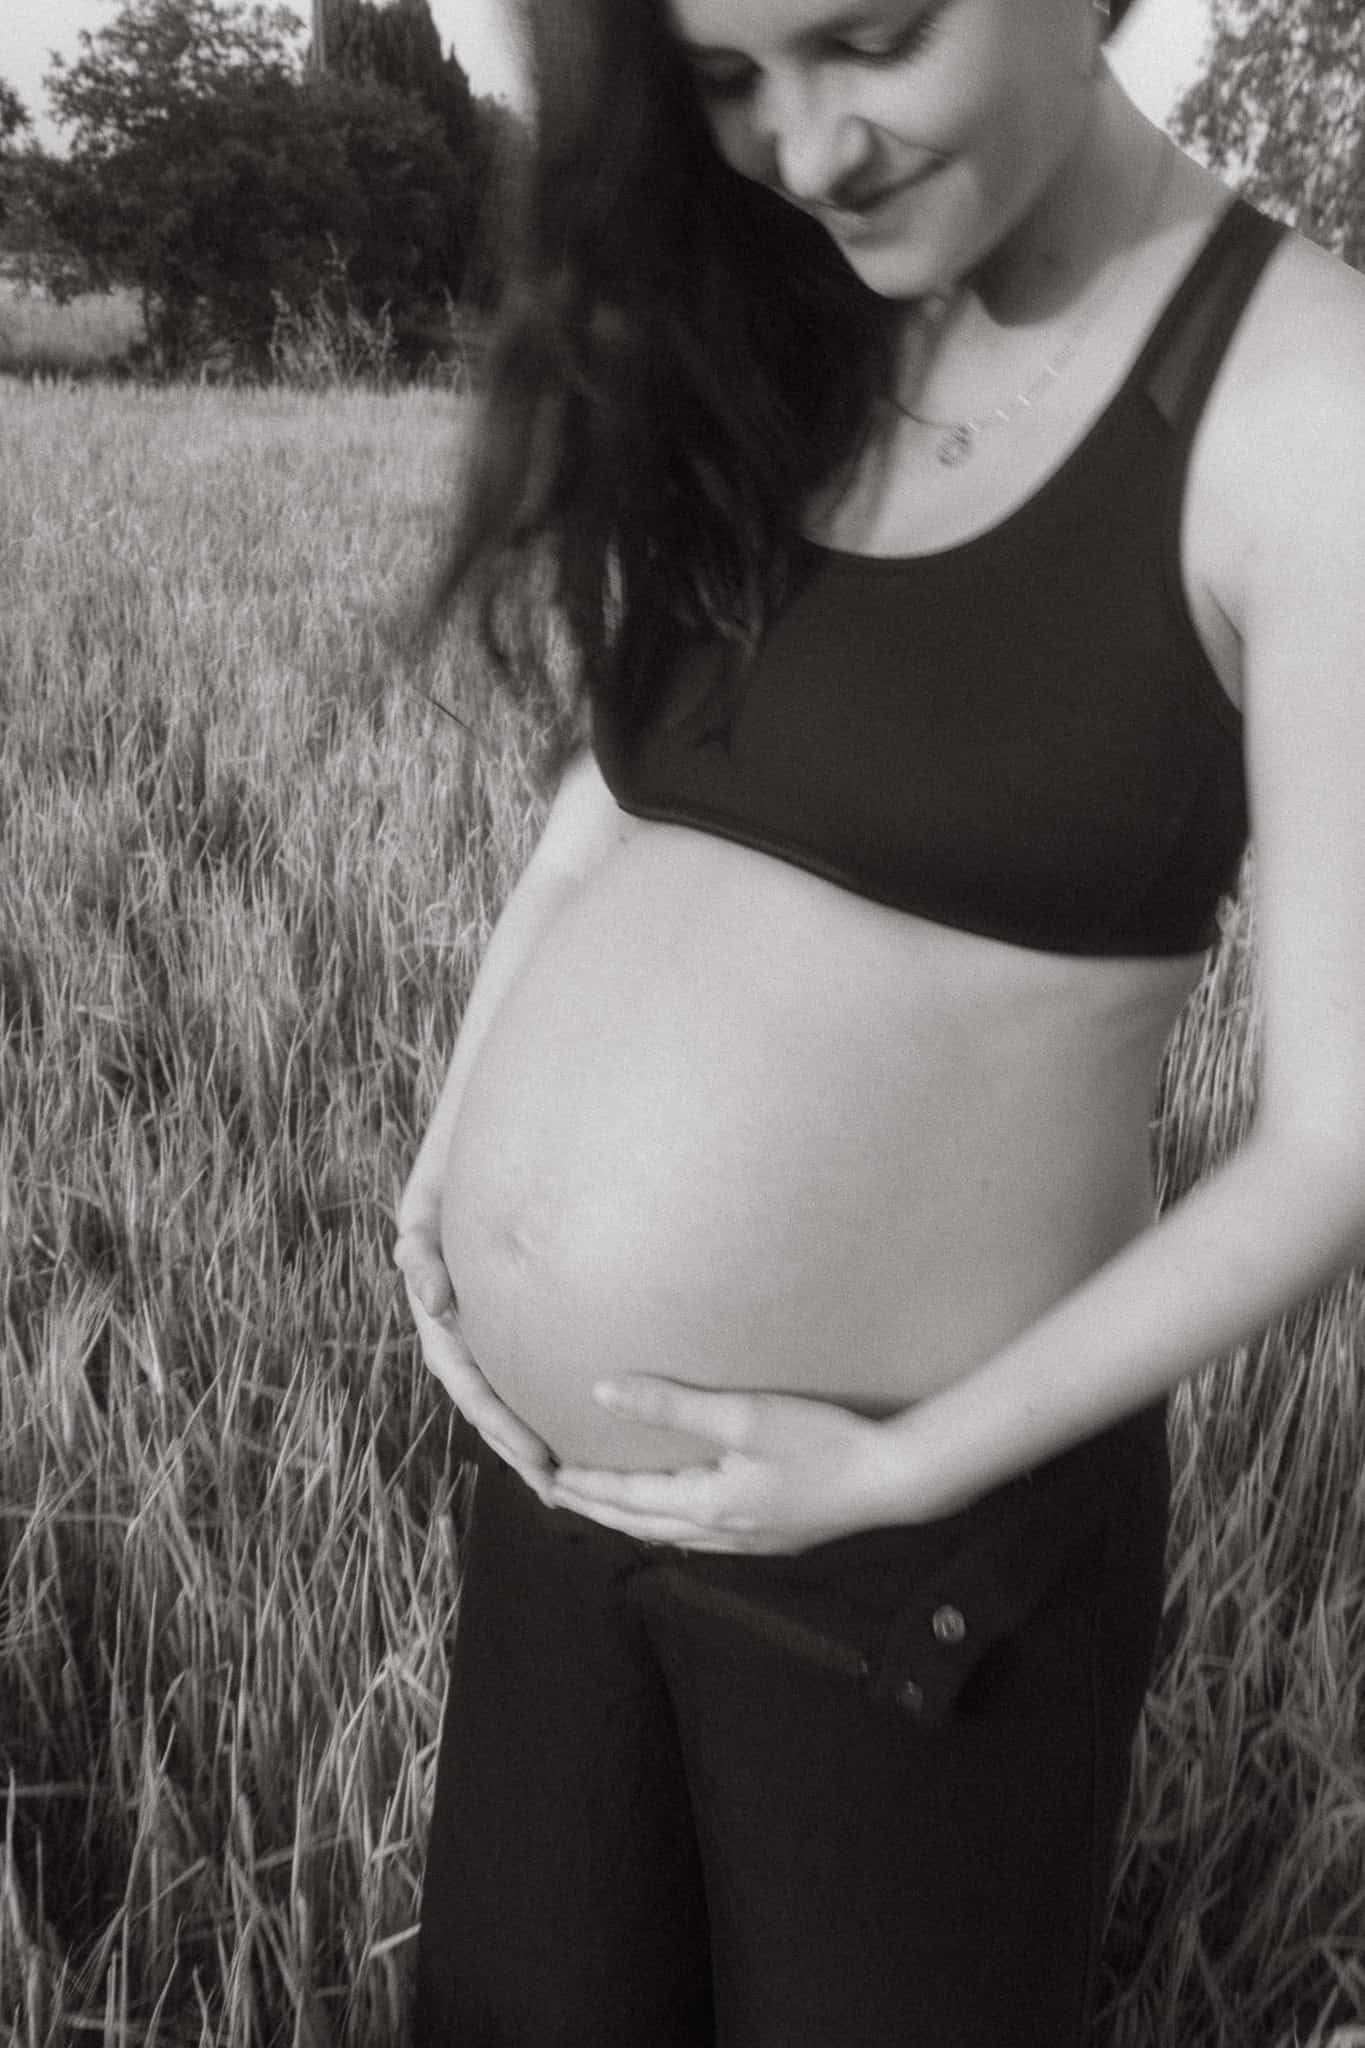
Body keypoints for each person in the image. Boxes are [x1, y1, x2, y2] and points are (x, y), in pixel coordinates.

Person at [393, 0, 1365, 2039]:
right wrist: (452, 1159)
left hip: (901, 1563)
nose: (809, 147)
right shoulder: (779, 331)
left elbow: (1333, 1145)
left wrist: (894, 1474)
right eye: (730, 80)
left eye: (870, 37)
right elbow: (611, 804)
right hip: (557, 1497)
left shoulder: (1305, 410)